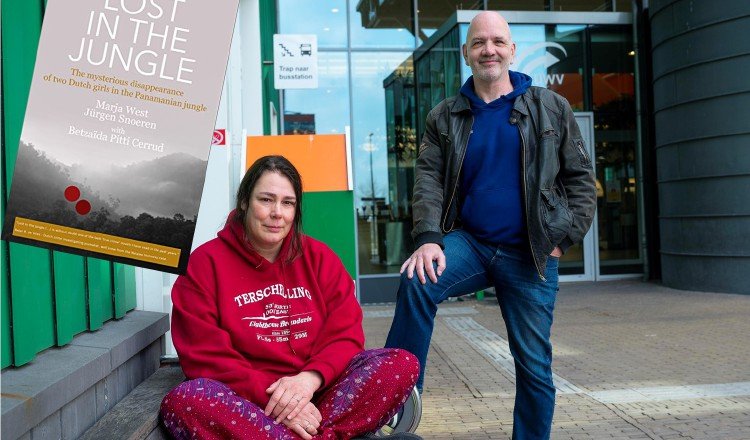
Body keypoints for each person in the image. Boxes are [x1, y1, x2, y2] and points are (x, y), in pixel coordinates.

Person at [384, 11, 597, 440]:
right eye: (479, 42)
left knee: (534, 365)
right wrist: (428, 240)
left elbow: (580, 180)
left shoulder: (550, 106)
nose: (489, 50)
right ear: (466, 53)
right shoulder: (445, 115)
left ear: (512, 50)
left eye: (497, 41)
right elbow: (427, 181)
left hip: (531, 253)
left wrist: (562, 240)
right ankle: (400, 408)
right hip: (473, 244)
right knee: (417, 281)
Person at [161, 155, 421, 440]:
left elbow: (346, 334)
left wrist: (309, 381)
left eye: (288, 203)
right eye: (266, 200)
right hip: (247, 403)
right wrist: (282, 402)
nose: (277, 213)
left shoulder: (320, 259)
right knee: (187, 400)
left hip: (320, 398)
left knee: (401, 363)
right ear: (245, 201)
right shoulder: (205, 263)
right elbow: (205, 354)